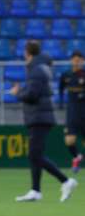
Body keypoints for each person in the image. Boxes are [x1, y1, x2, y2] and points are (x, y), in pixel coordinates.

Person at [10, 41, 78, 202]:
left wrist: (17, 93)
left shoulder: (36, 70)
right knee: (36, 155)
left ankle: (66, 181)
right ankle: (36, 190)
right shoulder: (41, 68)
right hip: (39, 116)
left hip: (39, 117)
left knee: (34, 155)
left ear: (27, 53)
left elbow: (32, 95)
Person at [58, 50, 85, 174]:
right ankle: (77, 157)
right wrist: (61, 103)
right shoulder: (66, 75)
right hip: (72, 112)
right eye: (74, 59)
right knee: (69, 140)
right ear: (71, 61)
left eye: (79, 60)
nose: (77, 62)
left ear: (82, 61)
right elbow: (61, 89)